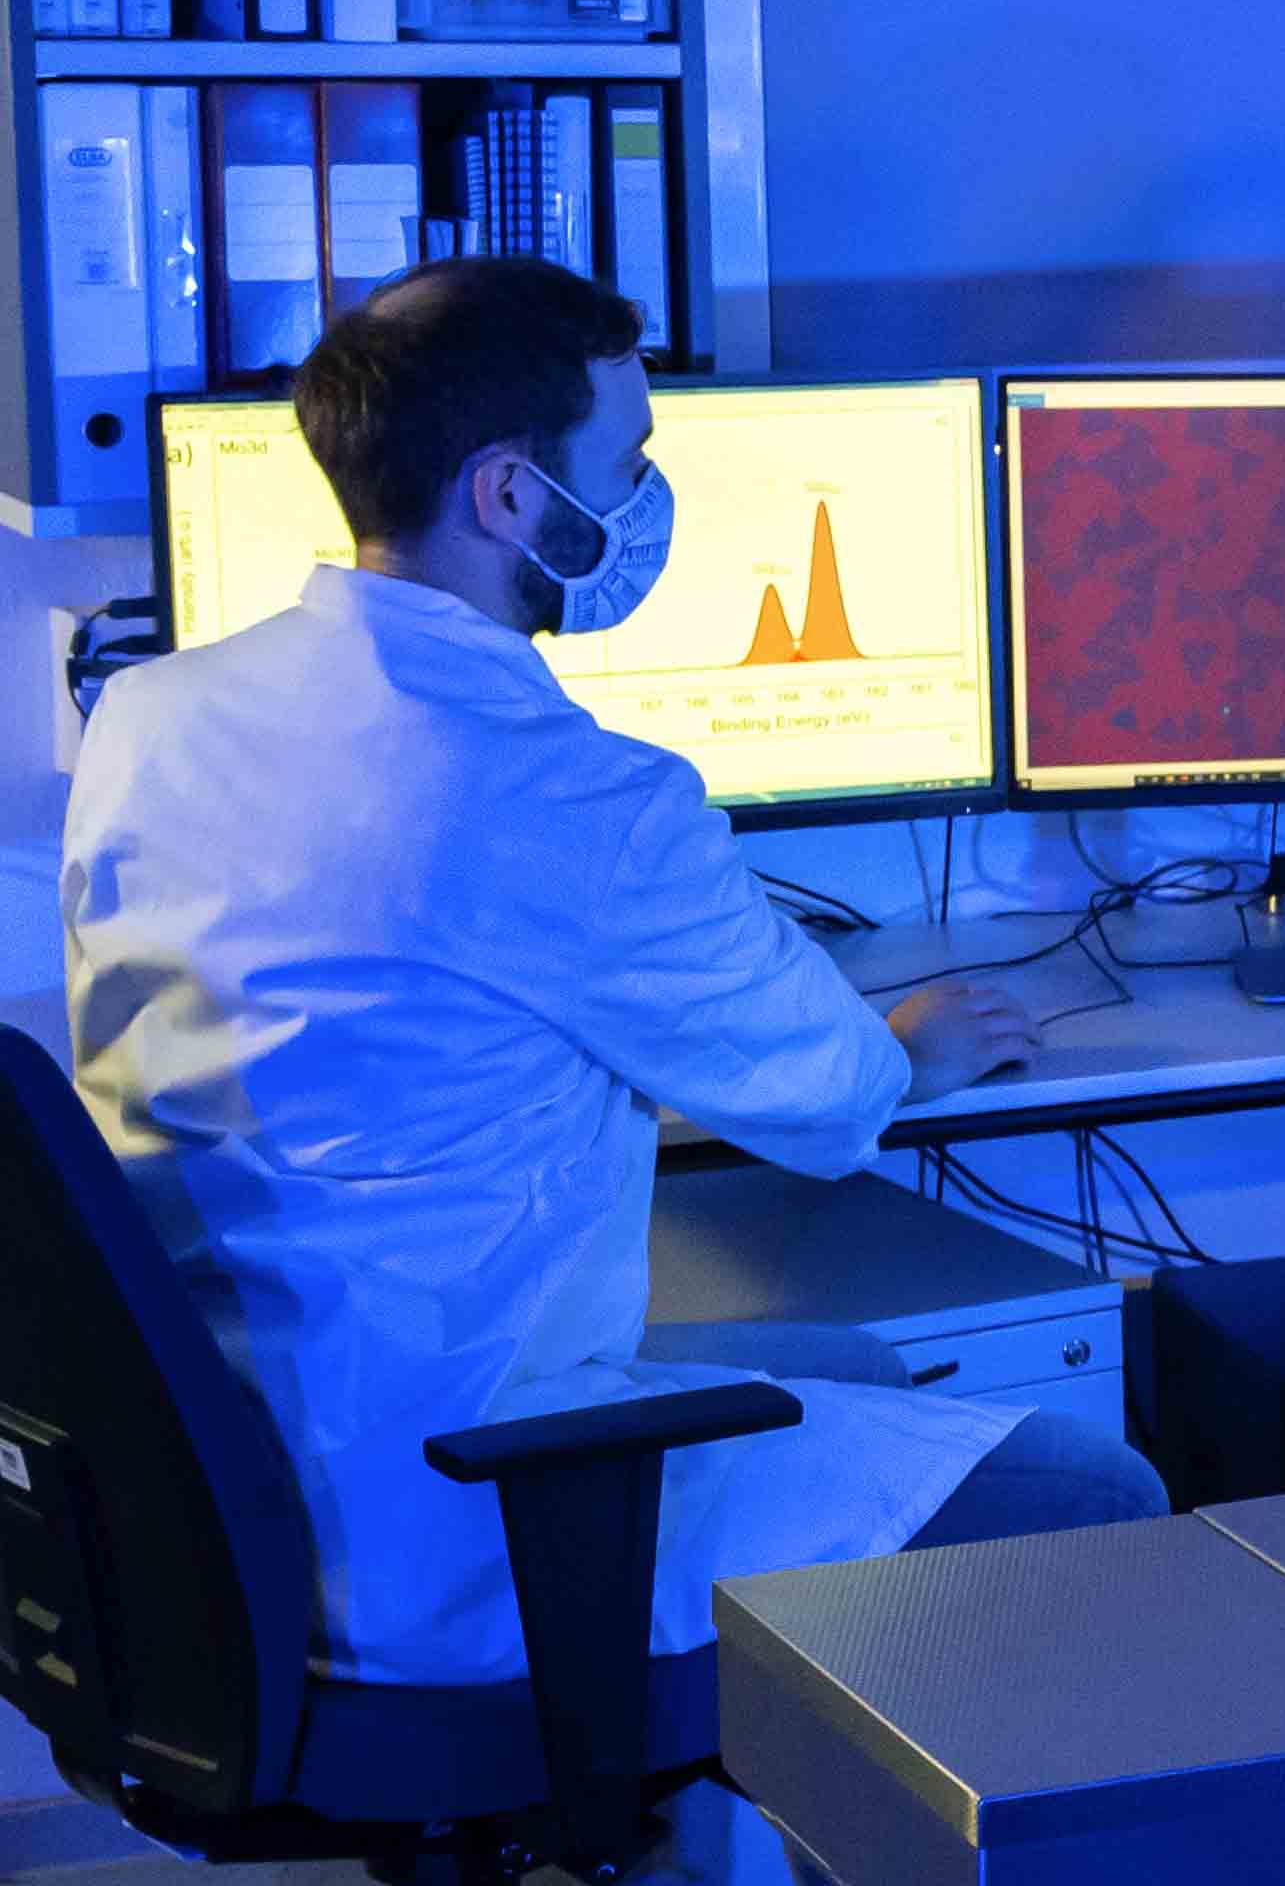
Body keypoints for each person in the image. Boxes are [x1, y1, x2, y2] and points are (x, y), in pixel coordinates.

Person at [58, 259, 1162, 1691]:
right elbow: (828, 1103)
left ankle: (721, 1821)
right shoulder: (572, 798)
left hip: (220, 1471)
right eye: (630, 461)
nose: (645, 498)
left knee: (868, 1370)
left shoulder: (151, 713)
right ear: (510, 497)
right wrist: (907, 1044)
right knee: (1095, 1490)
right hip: (470, 1506)